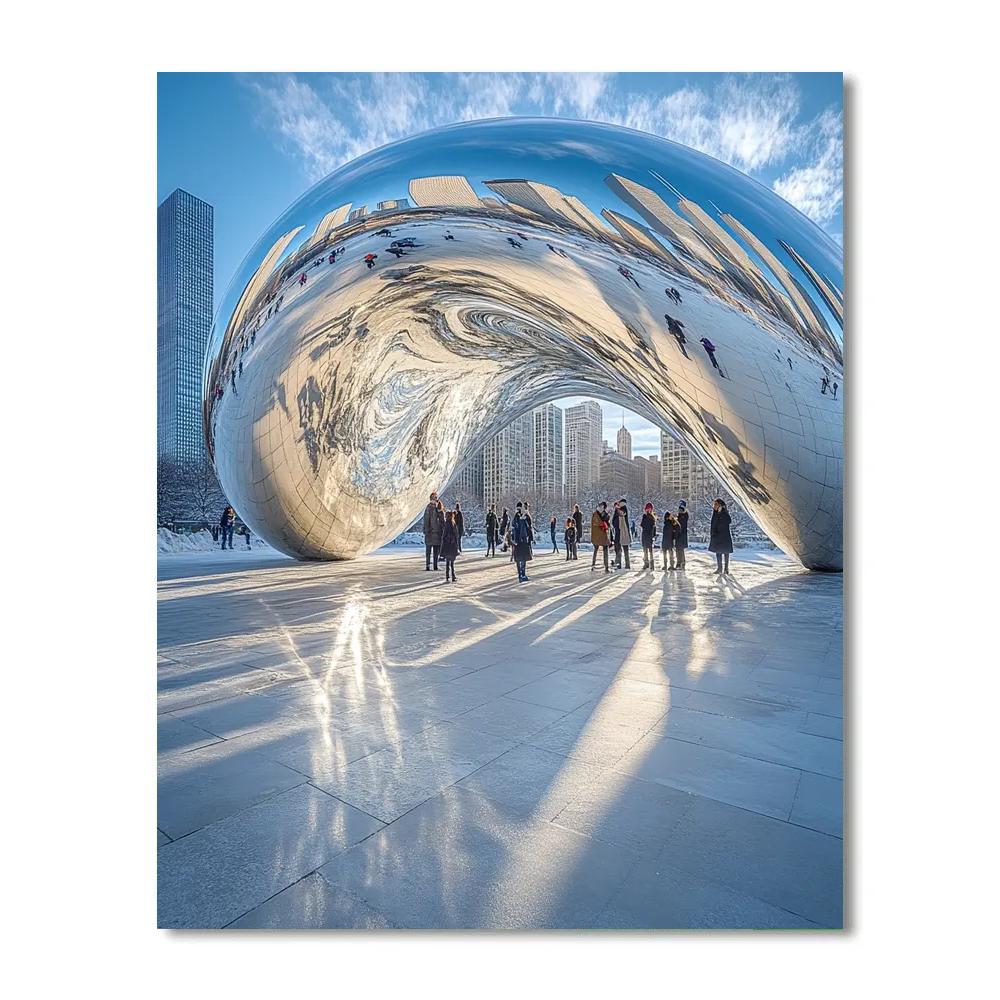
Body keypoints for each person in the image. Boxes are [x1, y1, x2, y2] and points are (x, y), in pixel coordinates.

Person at [709, 498, 734, 575]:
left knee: (726, 552)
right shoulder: (715, 513)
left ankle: (726, 569)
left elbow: (729, 521)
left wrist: (721, 513)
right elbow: (713, 523)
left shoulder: (724, 513)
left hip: (724, 536)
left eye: (716, 504)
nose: (714, 506)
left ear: (720, 505)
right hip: (717, 536)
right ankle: (719, 568)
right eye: (714, 504)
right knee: (718, 552)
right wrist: (712, 533)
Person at [511, 502, 533, 582]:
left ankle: (521, 574)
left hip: (518, 540)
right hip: (522, 540)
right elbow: (528, 527)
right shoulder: (522, 517)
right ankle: (522, 574)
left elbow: (514, 526)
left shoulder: (519, 517)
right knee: (522, 558)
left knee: (520, 558)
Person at [422, 491, 442, 570]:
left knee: (435, 551)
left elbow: (441, 520)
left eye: (436, 498)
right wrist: (427, 530)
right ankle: (428, 565)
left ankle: (434, 565)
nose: (436, 499)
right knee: (429, 550)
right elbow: (426, 520)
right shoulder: (429, 508)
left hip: (436, 533)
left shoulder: (437, 508)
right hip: (431, 533)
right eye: (435, 498)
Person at [591, 502, 611, 573]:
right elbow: (605, 524)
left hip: (597, 536)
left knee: (596, 550)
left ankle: (593, 565)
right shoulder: (601, 514)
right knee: (604, 550)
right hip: (601, 535)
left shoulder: (595, 514)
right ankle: (606, 567)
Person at [441, 510, 459, 583]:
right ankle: (452, 576)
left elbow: (444, 535)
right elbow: (456, 535)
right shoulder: (453, 524)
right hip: (452, 546)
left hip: (447, 546)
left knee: (448, 562)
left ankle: (447, 576)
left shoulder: (447, 524)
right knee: (451, 563)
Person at [613, 499, 632, 570]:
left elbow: (621, 514)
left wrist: (617, 509)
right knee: (623, 548)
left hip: (621, 532)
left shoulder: (622, 509)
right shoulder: (621, 509)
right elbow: (614, 521)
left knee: (621, 548)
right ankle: (624, 564)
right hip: (622, 531)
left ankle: (620, 564)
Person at [640, 502, 657, 570]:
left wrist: (653, 536)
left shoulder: (652, 518)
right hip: (644, 535)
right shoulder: (644, 516)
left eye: (649, 509)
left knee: (650, 550)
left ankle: (652, 564)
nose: (648, 510)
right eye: (647, 509)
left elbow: (653, 527)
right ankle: (646, 563)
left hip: (649, 535)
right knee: (645, 550)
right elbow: (642, 525)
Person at [675, 499, 689, 570]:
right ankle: (678, 562)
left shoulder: (684, 516)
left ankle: (682, 562)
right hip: (678, 535)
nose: (679, 510)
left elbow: (682, 525)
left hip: (682, 535)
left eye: (681, 509)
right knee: (678, 549)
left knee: (681, 549)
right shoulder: (679, 516)